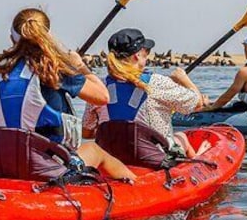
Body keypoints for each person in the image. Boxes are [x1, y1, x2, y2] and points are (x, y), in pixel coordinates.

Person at [0, 7, 136, 182]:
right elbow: (103, 96)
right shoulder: (53, 69)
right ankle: (137, 189)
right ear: (47, 37)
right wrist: (80, 66)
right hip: (47, 167)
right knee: (95, 150)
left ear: (12, 37)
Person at [82, 28, 207, 164]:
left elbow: (86, 133)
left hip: (112, 159)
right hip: (154, 159)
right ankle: (197, 163)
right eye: (146, 52)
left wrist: (119, 135)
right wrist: (183, 79)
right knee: (181, 136)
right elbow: (198, 104)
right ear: (137, 55)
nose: (148, 55)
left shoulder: (99, 87)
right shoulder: (157, 82)